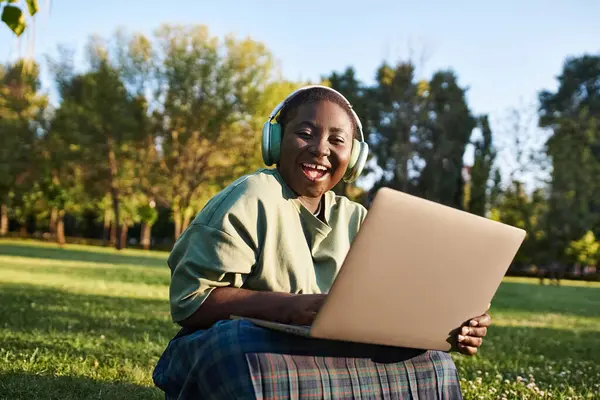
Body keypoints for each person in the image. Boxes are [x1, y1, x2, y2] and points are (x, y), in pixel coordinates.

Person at [153, 85, 491, 399]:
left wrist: (451, 325)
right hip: (247, 346)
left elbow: (391, 305)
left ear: (354, 157)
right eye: (304, 134)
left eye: (337, 140)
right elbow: (192, 303)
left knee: (434, 364)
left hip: (322, 350)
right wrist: (291, 308)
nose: (320, 149)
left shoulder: (358, 218)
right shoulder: (252, 195)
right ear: (275, 141)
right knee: (239, 349)